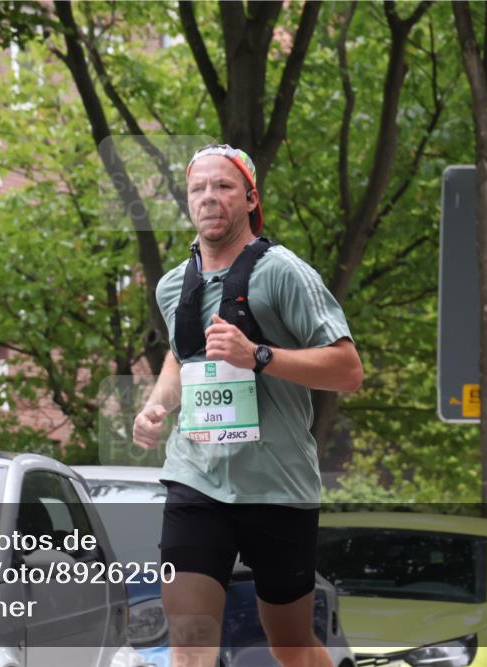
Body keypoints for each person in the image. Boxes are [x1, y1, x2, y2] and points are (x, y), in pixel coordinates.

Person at [132, 144, 363, 667]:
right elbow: (180, 356)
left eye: (223, 186)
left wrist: (258, 355)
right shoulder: (173, 286)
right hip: (196, 477)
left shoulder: (283, 273)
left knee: (291, 645)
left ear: (250, 197)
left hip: (277, 486)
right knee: (189, 641)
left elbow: (348, 370)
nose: (209, 197)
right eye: (198, 188)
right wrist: (156, 407)